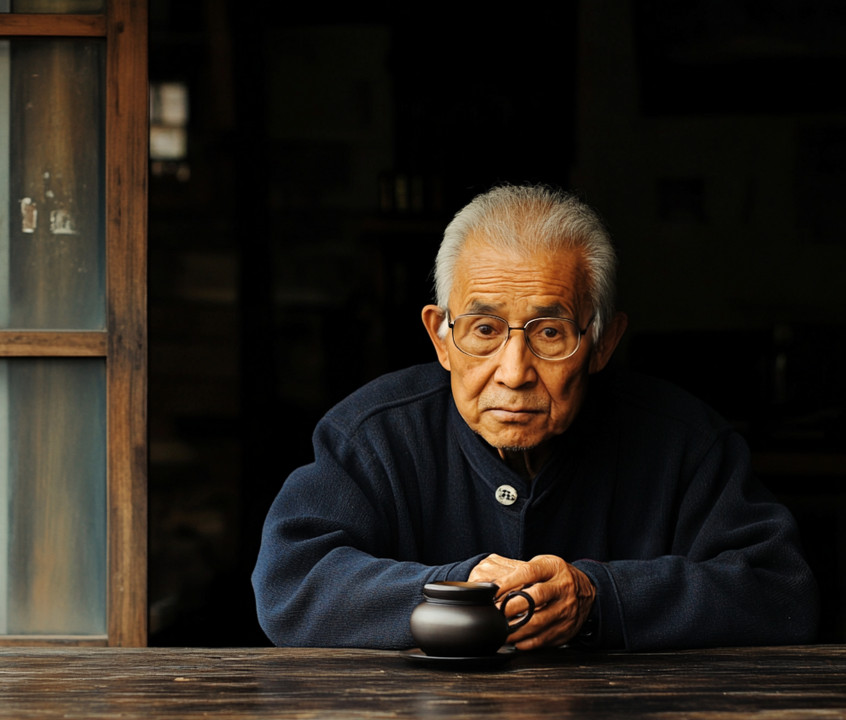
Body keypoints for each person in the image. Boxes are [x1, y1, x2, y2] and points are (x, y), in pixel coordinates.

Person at [251, 183, 818, 654]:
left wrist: (598, 597)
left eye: (550, 332)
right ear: (441, 338)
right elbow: (291, 582)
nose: (515, 371)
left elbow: (780, 591)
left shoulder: (686, 444)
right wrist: (460, 588)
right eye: (484, 330)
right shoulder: (372, 435)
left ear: (602, 343)